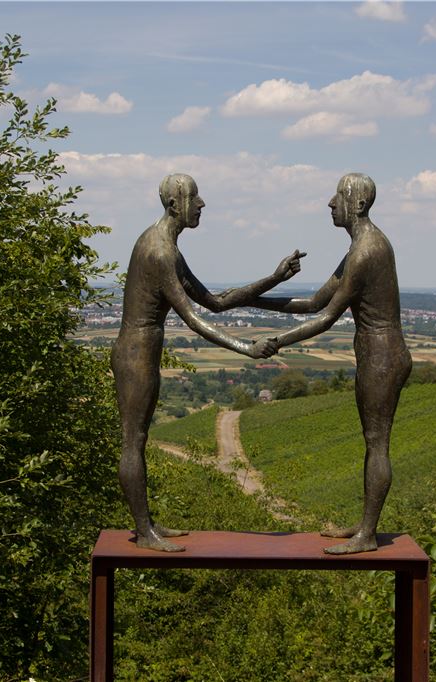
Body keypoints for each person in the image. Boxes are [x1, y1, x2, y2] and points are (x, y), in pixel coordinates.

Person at [113, 173, 304, 552]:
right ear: (174, 205)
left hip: (142, 351)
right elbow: (194, 319)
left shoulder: (167, 247)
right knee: (133, 441)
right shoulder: (159, 250)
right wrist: (246, 348)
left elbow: (216, 301)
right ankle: (144, 531)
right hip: (135, 354)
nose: (201, 204)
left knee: (138, 439)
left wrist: (274, 278)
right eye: (194, 197)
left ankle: (147, 524)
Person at [251, 173, 412, 554]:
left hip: (382, 356)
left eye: (339, 196)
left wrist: (277, 342)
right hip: (376, 353)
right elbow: (313, 303)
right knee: (372, 442)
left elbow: (325, 318)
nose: (330, 202)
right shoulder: (361, 247)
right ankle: (364, 525)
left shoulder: (366, 251)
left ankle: (367, 534)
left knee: (377, 443)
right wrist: (251, 298)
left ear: (358, 204)